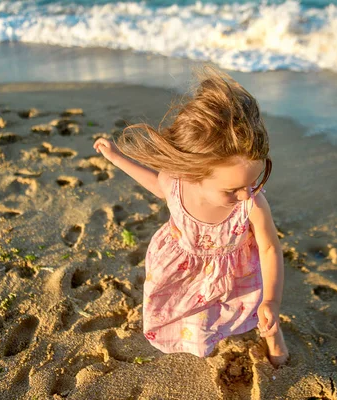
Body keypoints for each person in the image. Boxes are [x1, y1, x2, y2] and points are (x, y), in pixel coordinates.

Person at [93, 67, 289, 367]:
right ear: (194, 174)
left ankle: (272, 333)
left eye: (254, 182)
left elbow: (270, 248)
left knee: (252, 312)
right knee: (198, 322)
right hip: (183, 269)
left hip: (232, 273)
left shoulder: (252, 205)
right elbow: (158, 186)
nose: (246, 194)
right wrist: (118, 157)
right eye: (233, 189)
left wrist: (271, 301)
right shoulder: (176, 181)